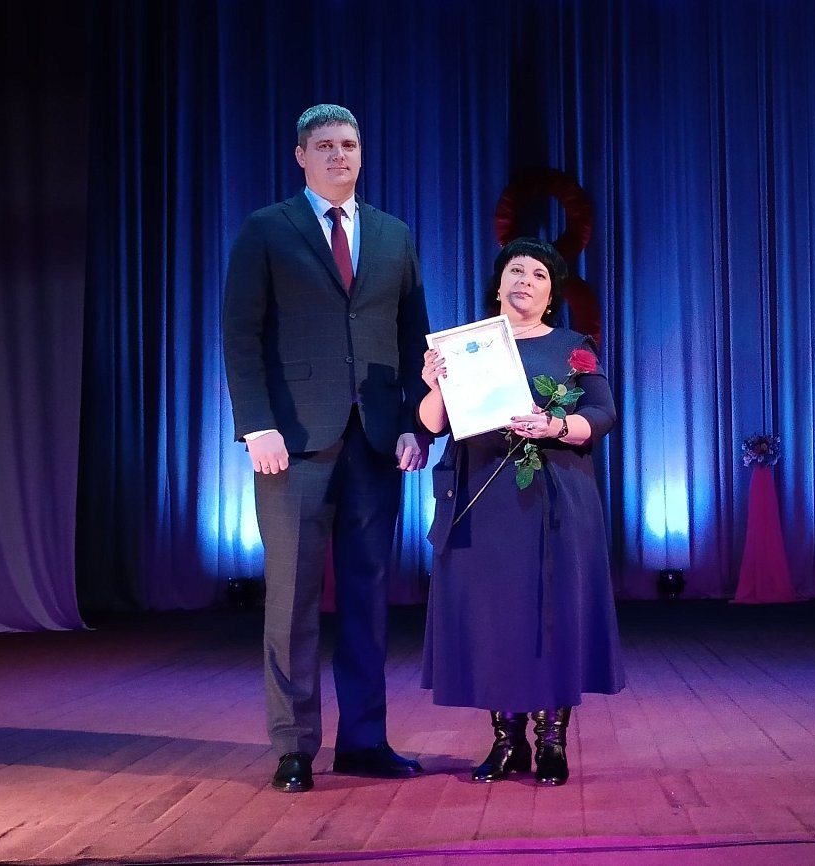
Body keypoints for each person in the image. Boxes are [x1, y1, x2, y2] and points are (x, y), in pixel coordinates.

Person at [221, 104, 432, 793]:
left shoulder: (394, 235)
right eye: (325, 146)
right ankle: (293, 746)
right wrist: (257, 425)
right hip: (293, 444)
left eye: (348, 144)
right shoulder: (267, 229)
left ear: (361, 154)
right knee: (291, 601)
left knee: (369, 599)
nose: (339, 155)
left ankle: (365, 741)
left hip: (376, 440)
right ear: (301, 156)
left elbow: (413, 337)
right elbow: (241, 334)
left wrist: (415, 423)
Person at [417, 237, 624, 786]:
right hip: (481, 498)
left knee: (550, 614)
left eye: (538, 274)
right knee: (493, 618)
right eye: (516, 270)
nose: (525, 281)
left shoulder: (573, 347)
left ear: (551, 294)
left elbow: (602, 414)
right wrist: (436, 382)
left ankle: (551, 741)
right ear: (499, 284)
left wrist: (554, 425)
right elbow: (433, 423)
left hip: (551, 497)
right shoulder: (466, 345)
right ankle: (506, 742)